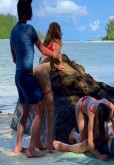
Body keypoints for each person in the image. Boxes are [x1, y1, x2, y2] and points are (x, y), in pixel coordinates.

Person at [10, 0, 61, 158]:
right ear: (26, 12)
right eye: (30, 8)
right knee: (40, 111)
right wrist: (55, 55)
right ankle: (32, 149)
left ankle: (18, 146)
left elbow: (14, 58)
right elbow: (43, 49)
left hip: (18, 76)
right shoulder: (29, 29)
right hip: (26, 75)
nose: (32, 11)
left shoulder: (13, 32)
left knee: (25, 112)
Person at [33, 22, 64, 153]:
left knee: (40, 111)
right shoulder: (57, 42)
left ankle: (37, 142)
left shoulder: (46, 44)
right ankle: (49, 143)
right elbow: (55, 55)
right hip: (42, 74)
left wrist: (56, 66)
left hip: (34, 71)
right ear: (58, 32)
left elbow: (45, 59)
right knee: (50, 110)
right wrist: (60, 59)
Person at [69, 96, 114, 160]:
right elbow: (90, 143)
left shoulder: (110, 105)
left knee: (99, 137)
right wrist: (99, 156)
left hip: (95, 104)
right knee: (83, 142)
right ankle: (74, 134)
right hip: (81, 106)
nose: (112, 119)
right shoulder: (92, 113)